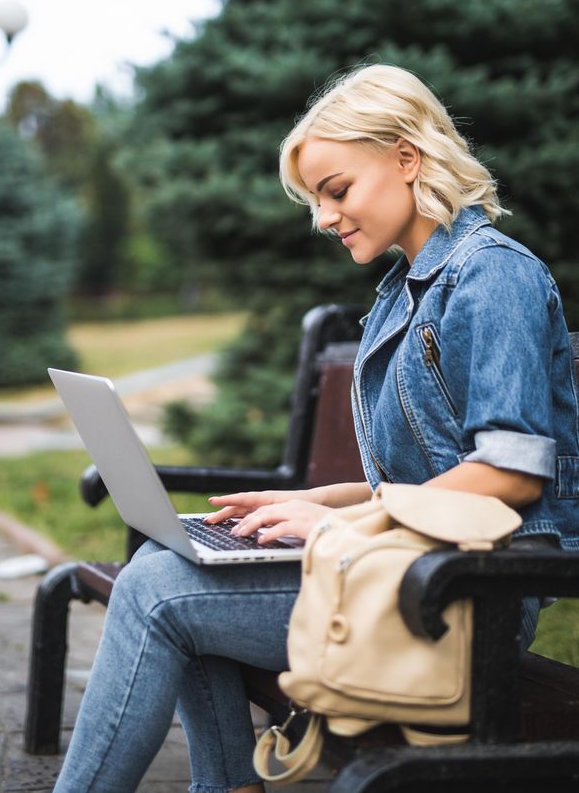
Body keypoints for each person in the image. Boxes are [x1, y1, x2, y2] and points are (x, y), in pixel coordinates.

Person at [52, 64, 579, 793]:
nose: (325, 218)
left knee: (155, 592)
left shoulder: (494, 277)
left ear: (406, 156)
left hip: (466, 596)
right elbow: (418, 485)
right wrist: (303, 505)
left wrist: (336, 522)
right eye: (316, 201)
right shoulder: (403, 291)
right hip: (402, 569)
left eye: (337, 190)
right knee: (185, 576)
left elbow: (513, 471)